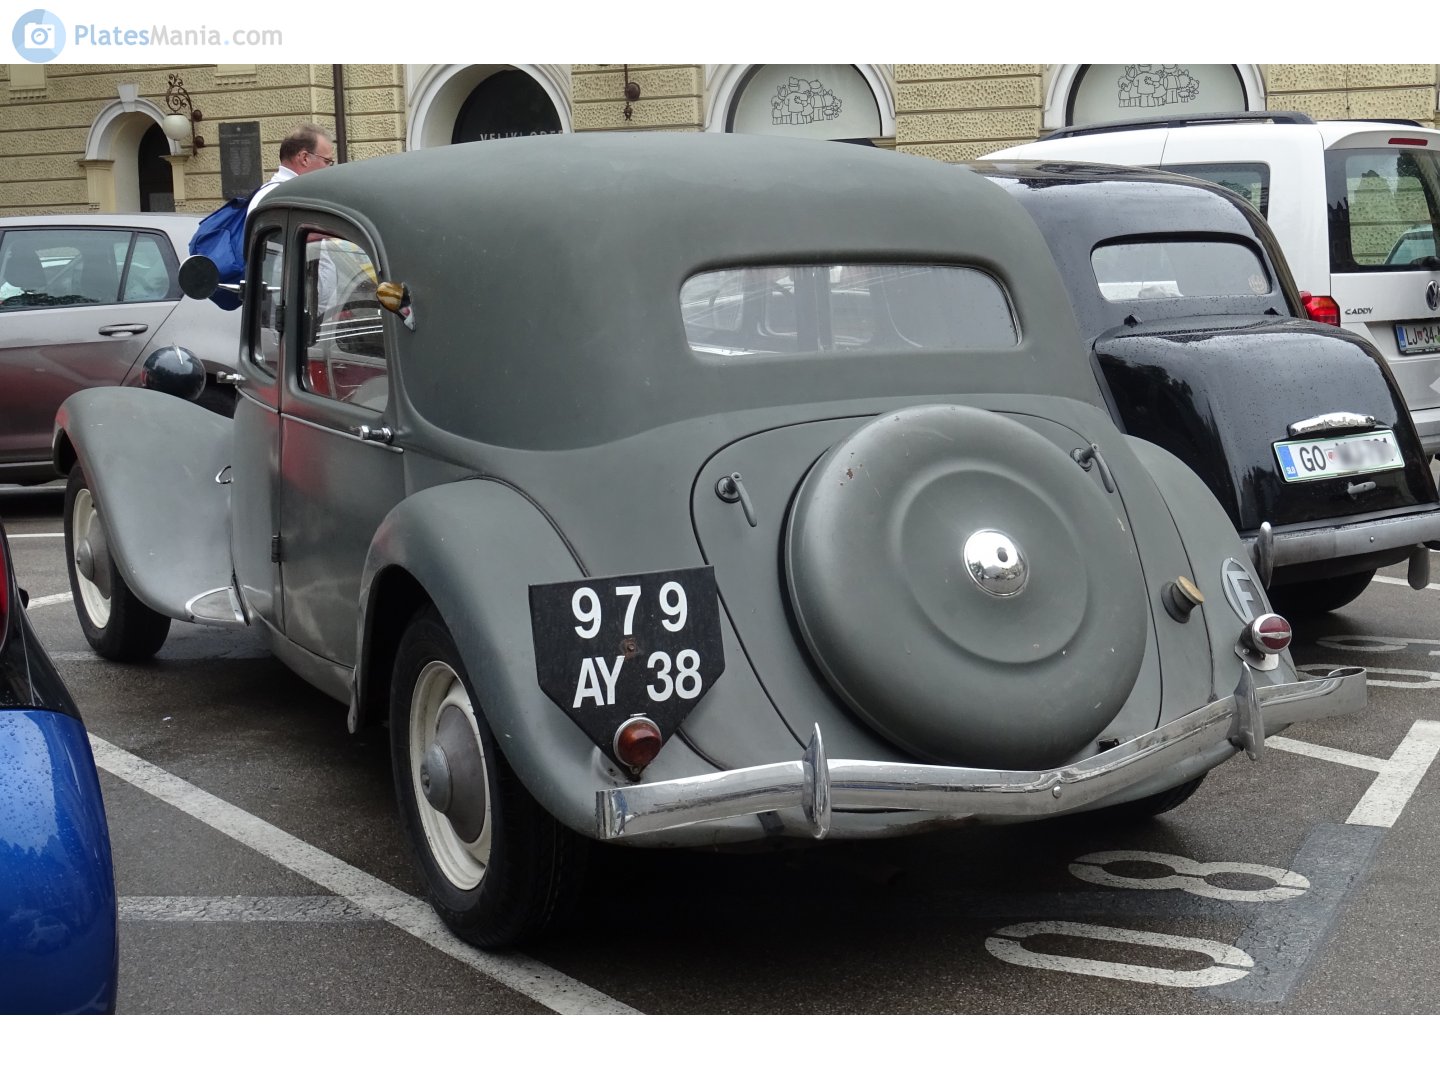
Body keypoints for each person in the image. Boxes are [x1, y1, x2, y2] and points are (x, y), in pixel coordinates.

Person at [246, 123, 336, 219]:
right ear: (305, 158)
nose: (329, 169)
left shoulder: (270, 194)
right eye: (327, 161)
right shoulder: (280, 197)